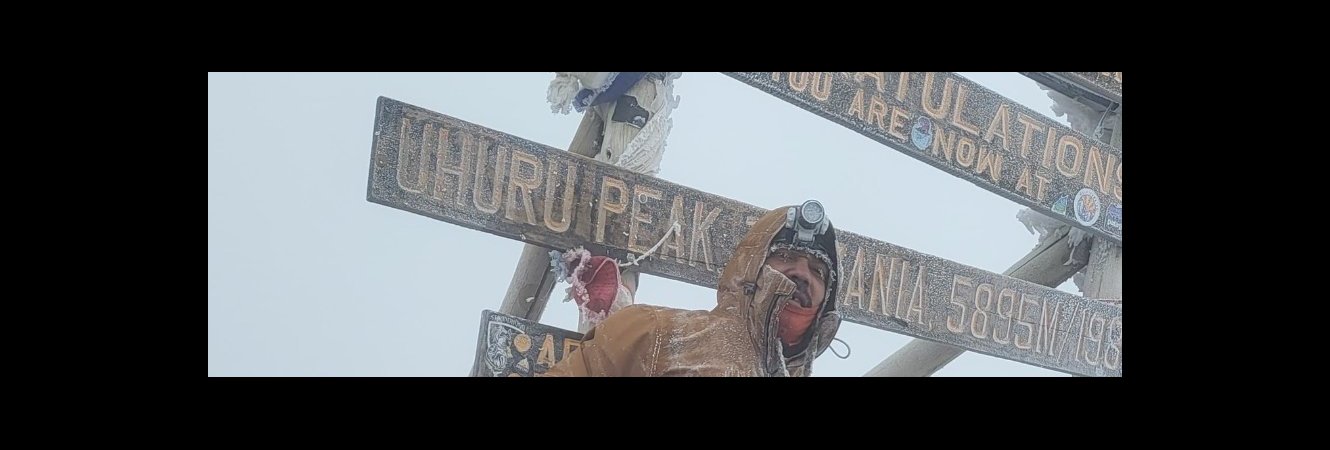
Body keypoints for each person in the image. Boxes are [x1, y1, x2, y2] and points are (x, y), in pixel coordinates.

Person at [542, 200, 842, 377]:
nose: (802, 273)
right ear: (751, 267)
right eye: (785, 256)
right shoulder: (654, 331)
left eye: (818, 271)